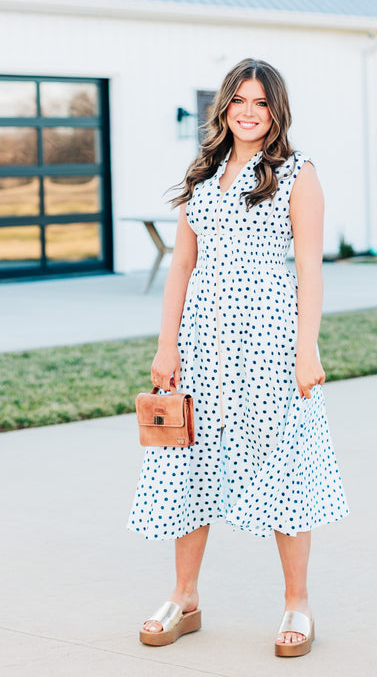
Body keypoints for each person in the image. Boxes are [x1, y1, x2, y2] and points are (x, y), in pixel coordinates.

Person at [127, 58, 348, 657]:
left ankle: (297, 605)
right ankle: (185, 597)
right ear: (223, 107)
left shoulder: (297, 173)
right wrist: (166, 343)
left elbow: (308, 269)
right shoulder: (201, 175)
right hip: (202, 344)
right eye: (239, 101)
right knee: (186, 467)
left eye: (261, 103)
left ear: (277, 111)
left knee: (284, 468)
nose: (249, 113)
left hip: (272, 343)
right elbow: (180, 264)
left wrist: (307, 349)